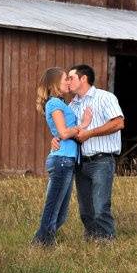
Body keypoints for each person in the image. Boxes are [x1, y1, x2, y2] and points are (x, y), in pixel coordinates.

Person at [52, 64, 124, 241]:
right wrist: (57, 139)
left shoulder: (105, 97)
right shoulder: (72, 105)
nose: (68, 81)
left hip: (101, 161)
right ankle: (92, 242)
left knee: (100, 207)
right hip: (80, 162)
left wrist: (90, 133)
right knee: (85, 211)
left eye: (71, 77)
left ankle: (107, 242)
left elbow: (118, 123)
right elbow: (69, 131)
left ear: (83, 79)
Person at [32, 67, 91, 246]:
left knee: (61, 213)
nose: (68, 82)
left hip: (67, 160)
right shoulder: (54, 104)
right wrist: (83, 125)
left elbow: (60, 133)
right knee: (53, 207)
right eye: (65, 79)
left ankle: (44, 241)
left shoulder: (61, 103)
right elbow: (64, 133)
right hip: (62, 161)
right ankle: (42, 243)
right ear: (55, 83)